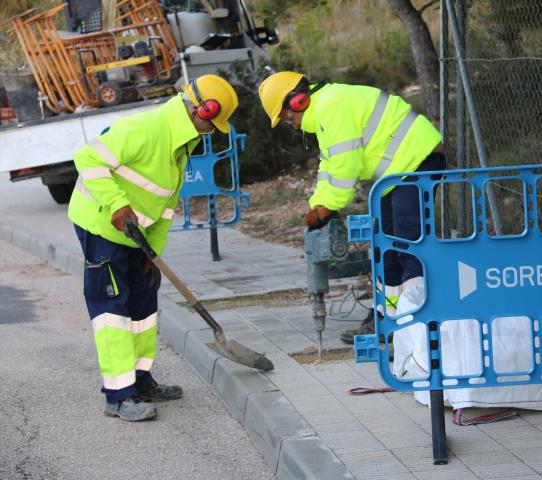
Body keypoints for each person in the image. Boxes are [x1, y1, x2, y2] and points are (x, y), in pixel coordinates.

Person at [68, 74, 239, 421]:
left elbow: (164, 204)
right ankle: (118, 395)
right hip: (102, 227)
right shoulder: (147, 128)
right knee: (113, 310)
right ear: (197, 109)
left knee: (144, 306)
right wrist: (117, 205)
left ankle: (141, 381)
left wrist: (154, 255)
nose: (212, 130)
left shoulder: (182, 142)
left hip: (136, 236)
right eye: (211, 121)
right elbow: (87, 159)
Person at [258, 71, 444, 344]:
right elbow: (329, 165)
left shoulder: (332, 107)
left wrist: (326, 210)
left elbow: (346, 170)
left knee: (408, 246)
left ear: (297, 101)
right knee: (386, 250)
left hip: (419, 161)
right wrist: (316, 205)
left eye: (288, 118)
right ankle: (387, 321)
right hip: (397, 174)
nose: (293, 126)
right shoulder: (324, 112)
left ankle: (417, 327)